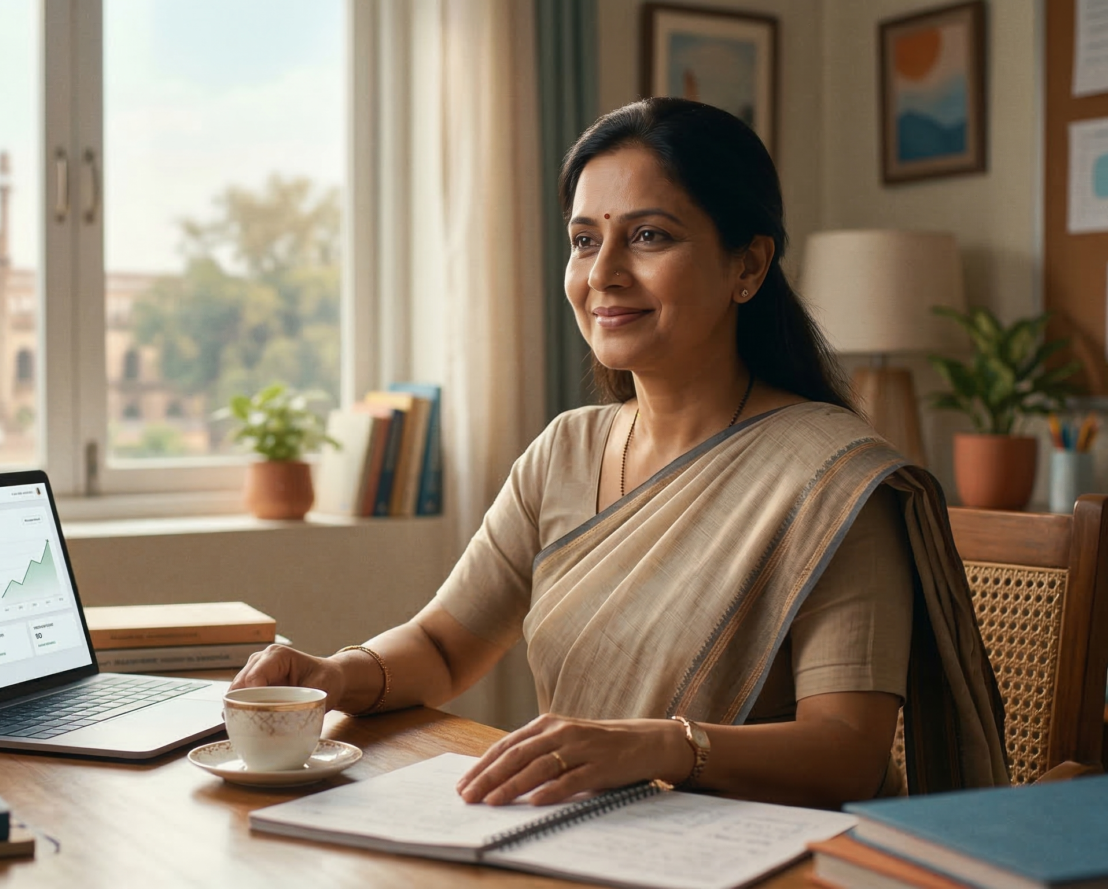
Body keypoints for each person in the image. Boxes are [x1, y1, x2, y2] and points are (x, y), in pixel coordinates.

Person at [231, 97, 1007, 808]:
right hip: (583, 836)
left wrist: (662, 745)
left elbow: (847, 753)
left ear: (749, 265)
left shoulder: (834, 481)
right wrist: (335, 675)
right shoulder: (565, 450)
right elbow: (441, 645)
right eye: (583, 240)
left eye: (648, 236)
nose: (602, 274)